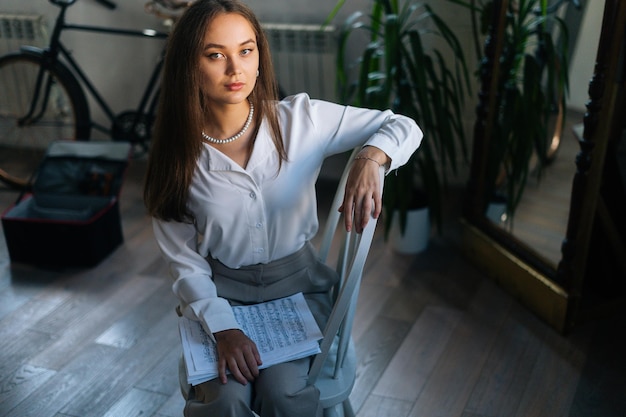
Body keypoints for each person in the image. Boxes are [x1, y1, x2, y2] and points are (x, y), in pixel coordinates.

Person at [143, 0, 422, 415]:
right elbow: (185, 264)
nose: (235, 69)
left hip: (297, 289)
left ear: (260, 57)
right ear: (189, 65)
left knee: (283, 394)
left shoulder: (300, 121)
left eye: (246, 50)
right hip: (221, 296)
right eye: (215, 55)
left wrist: (369, 158)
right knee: (225, 399)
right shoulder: (177, 157)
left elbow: (401, 125)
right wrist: (223, 329)